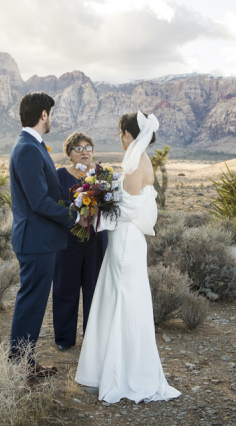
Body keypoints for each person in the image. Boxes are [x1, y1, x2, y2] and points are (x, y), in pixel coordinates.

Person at [75, 111, 181, 403]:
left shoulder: (136, 164)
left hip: (124, 241)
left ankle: (120, 374)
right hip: (127, 239)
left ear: (127, 135)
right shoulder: (140, 161)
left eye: (120, 132)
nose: (118, 137)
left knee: (121, 299)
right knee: (120, 297)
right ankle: (111, 368)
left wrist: (96, 203)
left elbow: (127, 210)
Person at [8, 92, 87, 383]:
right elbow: (39, 201)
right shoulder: (28, 148)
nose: (51, 119)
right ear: (43, 115)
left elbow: (45, 196)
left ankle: (26, 363)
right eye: (50, 114)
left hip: (39, 240)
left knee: (34, 305)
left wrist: (74, 204)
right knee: (30, 305)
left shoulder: (31, 145)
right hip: (36, 241)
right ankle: (19, 370)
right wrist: (75, 217)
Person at [53, 132, 108, 351]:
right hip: (67, 241)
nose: (85, 151)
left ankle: (92, 340)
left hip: (95, 240)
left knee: (94, 289)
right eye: (78, 148)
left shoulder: (100, 175)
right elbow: (55, 206)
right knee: (65, 288)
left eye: (88, 147)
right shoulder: (59, 175)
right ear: (69, 154)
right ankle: (64, 339)